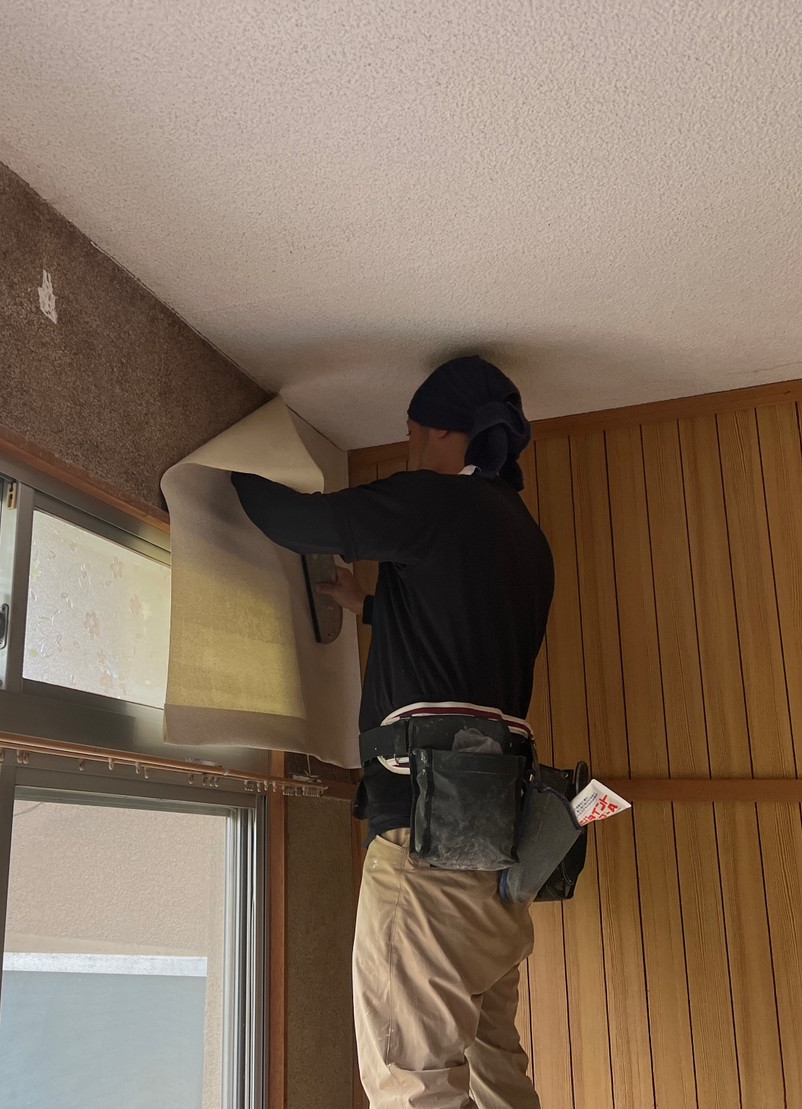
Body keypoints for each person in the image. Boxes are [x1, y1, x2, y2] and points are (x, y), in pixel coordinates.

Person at [231, 356, 554, 1109]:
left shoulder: (437, 502)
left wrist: (224, 472)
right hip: (495, 859)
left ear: (442, 430)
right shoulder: (526, 537)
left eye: (411, 433)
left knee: (413, 1083)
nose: (409, 449)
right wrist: (369, 607)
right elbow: (469, 634)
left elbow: (301, 522)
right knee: (492, 1068)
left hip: (429, 848)